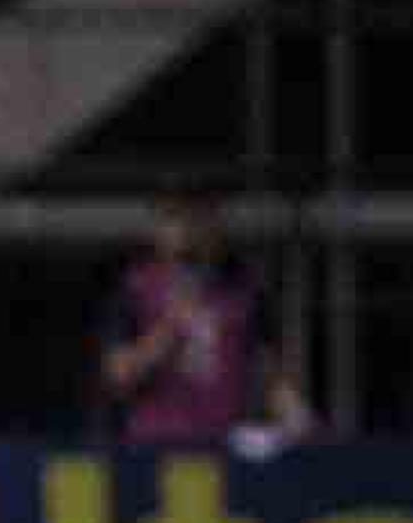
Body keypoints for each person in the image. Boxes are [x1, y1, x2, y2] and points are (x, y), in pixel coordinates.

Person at [100, 183, 312, 443]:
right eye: (172, 219)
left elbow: (271, 374)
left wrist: (296, 416)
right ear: (157, 231)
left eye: (197, 217)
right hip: (156, 446)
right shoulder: (135, 288)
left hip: (225, 445)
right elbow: (118, 377)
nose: (185, 229)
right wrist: (169, 329)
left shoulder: (246, 288)